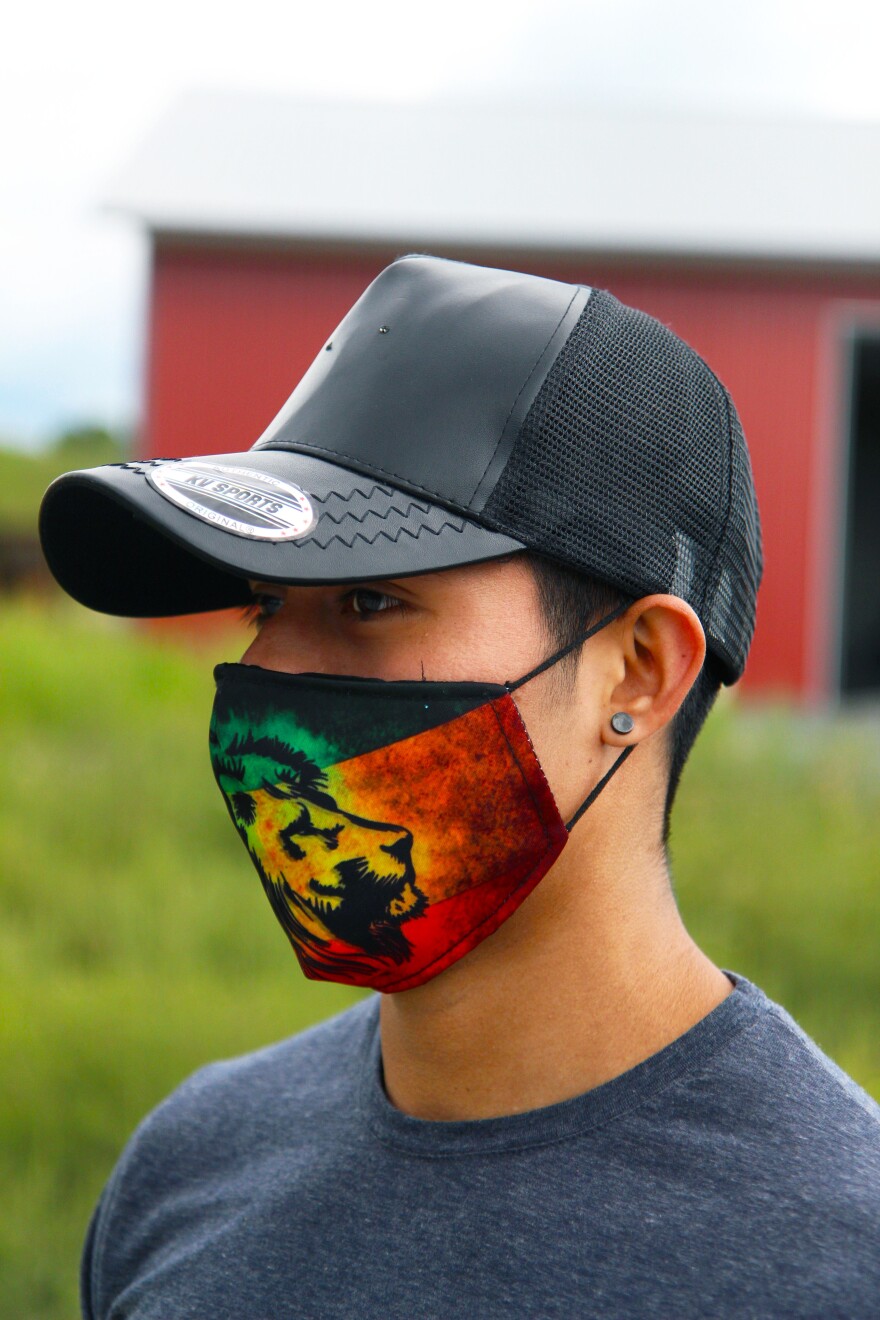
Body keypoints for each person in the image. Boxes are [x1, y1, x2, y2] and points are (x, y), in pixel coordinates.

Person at [40, 255, 880, 1318]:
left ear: (638, 672)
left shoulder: (837, 1254)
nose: (273, 682)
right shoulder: (190, 1167)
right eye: (264, 608)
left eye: (369, 603)